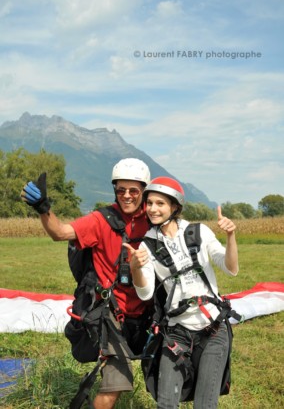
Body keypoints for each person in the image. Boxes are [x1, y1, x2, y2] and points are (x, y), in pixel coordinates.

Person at [21, 158, 152, 409]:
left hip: (145, 314)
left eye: (133, 190)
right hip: (111, 314)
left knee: (162, 379)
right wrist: (43, 208)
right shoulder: (100, 220)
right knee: (116, 382)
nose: (126, 195)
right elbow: (60, 232)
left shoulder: (155, 216)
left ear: (143, 191)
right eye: (120, 189)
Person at [124, 176, 239, 409]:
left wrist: (230, 236)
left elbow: (231, 269)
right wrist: (135, 267)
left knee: (205, 405)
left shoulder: (199, 232)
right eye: (149, 204)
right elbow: (145, 293)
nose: (153, 209)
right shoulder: (147, 244)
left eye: (160, 203)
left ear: (174, 206)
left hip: (213, 329)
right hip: (176, 332)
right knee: (166, 404)